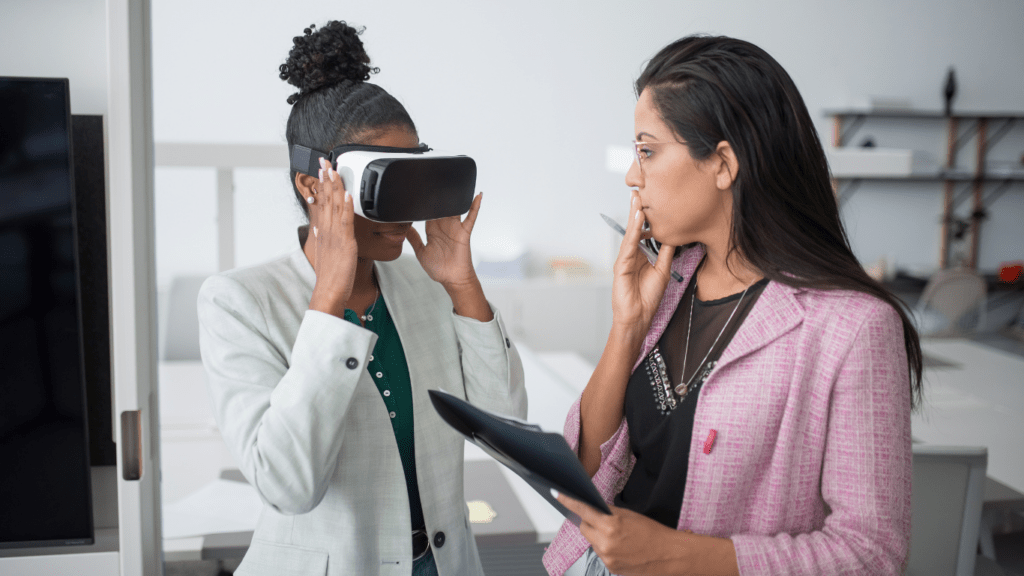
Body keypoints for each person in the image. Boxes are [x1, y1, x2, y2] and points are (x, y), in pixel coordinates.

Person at [543, 35, 921, 576]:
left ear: (722, 164)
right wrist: (627, 327)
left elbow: (871, 553)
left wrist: (680, 557)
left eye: (647, 151)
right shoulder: (668, 285)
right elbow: (584, 474)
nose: (632, 175)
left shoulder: (853, 327)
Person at [197, 21, 526, 576]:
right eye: (382, 182)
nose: (402, 209)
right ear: (312, 185)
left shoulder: (426, 286)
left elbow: (507, 435)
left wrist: (462, 285)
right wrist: (329, 295)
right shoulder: (239, 303)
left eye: (412, 177)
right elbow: (288, 485)